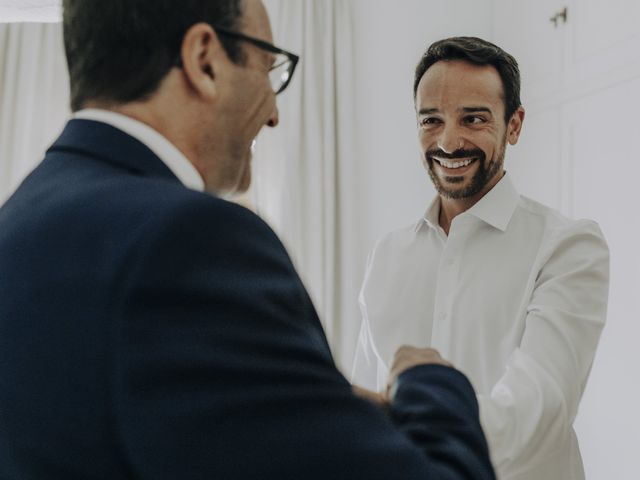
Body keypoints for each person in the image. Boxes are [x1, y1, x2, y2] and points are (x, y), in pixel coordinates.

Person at [0, 2, 496, 479]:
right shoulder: (190, 240)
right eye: (267, 66)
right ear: (204, 60)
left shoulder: (18, 220)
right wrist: (429, 381)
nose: (274, 113)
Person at [351, 37, 609, 480]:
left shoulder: (568, 247)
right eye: (431, 120)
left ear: (514, 125)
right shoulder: (387, 255)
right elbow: (366, 408)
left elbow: (539, 411)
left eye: (473, 118)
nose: (449, 142)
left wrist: (422, 421)